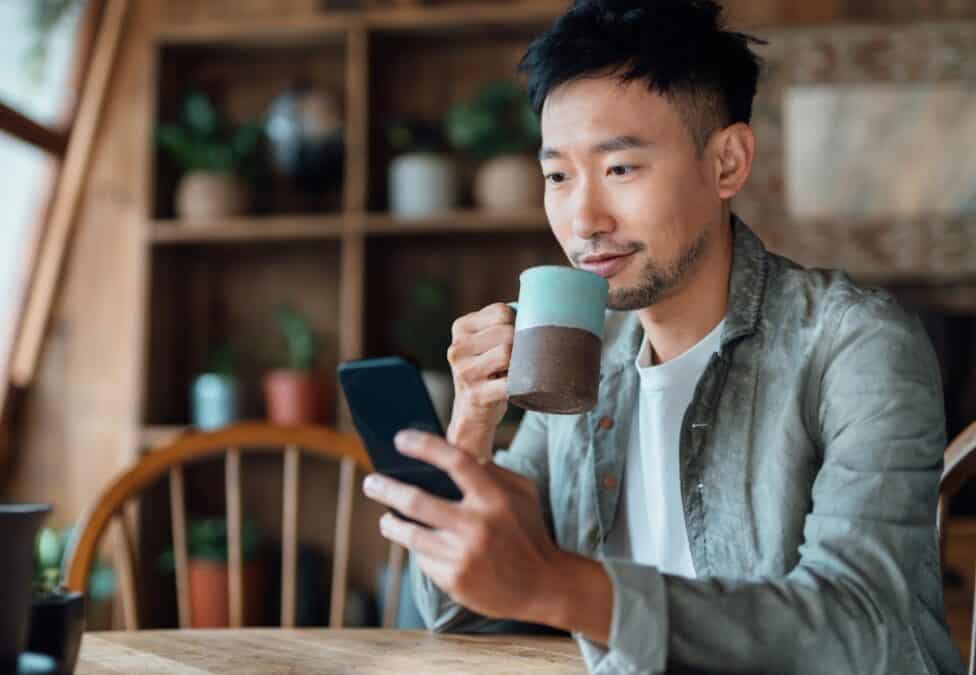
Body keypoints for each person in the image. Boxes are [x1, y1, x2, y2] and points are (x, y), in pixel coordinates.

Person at [359, 1, 965, 673]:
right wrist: (473, 421)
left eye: (620, 169)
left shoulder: (857, 345)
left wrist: (563, 587)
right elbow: (454, 609)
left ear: (728, 162)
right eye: (558, 175)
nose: (583, 218)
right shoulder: (583, 353)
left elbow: (861, 625)